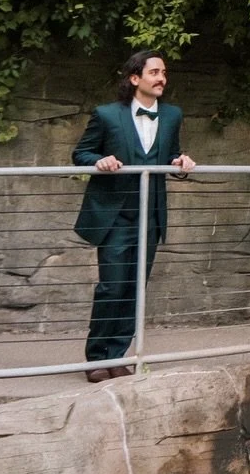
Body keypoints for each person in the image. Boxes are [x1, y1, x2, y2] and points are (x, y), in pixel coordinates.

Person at [72, 50, 195, 381]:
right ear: (135, 78)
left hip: (150, 217)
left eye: (164, 73)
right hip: (115, 217)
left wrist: (180, 164)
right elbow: (80, 153)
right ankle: (95, 359)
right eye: (154, 72)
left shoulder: (171, 115)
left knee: (134, 287)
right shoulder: (107, 115)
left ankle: (117, 357)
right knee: (112, 287)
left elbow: (169, 156)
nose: (161, 78)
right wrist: (99, 161)